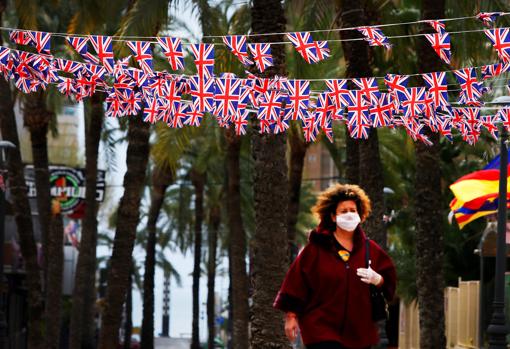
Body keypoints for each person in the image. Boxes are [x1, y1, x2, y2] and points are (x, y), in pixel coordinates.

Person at [273, 184, 397, 349]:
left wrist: (378, 279)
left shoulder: (370, 249)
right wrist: (291, 316)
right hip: (320, 330)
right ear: (333, 216)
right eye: (343, 211)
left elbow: (389, 282)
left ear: (360, 214)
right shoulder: (315, 249)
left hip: (358, 332)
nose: (349, 214)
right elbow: (296, 282)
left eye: (353, 210)